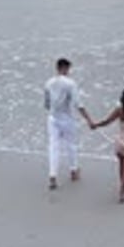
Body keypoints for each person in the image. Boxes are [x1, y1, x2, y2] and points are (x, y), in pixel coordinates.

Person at [44, 58, 92, 190]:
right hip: (67, 118)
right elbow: (78, 104)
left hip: (53, 118)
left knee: (53, 147)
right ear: (65, 68)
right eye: (68, 69)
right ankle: (73, 171)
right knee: (71, 144)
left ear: (57, 68)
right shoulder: (70, 83)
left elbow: (47, 104)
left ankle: (52, 176)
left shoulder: (48, 83)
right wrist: (89, 120)